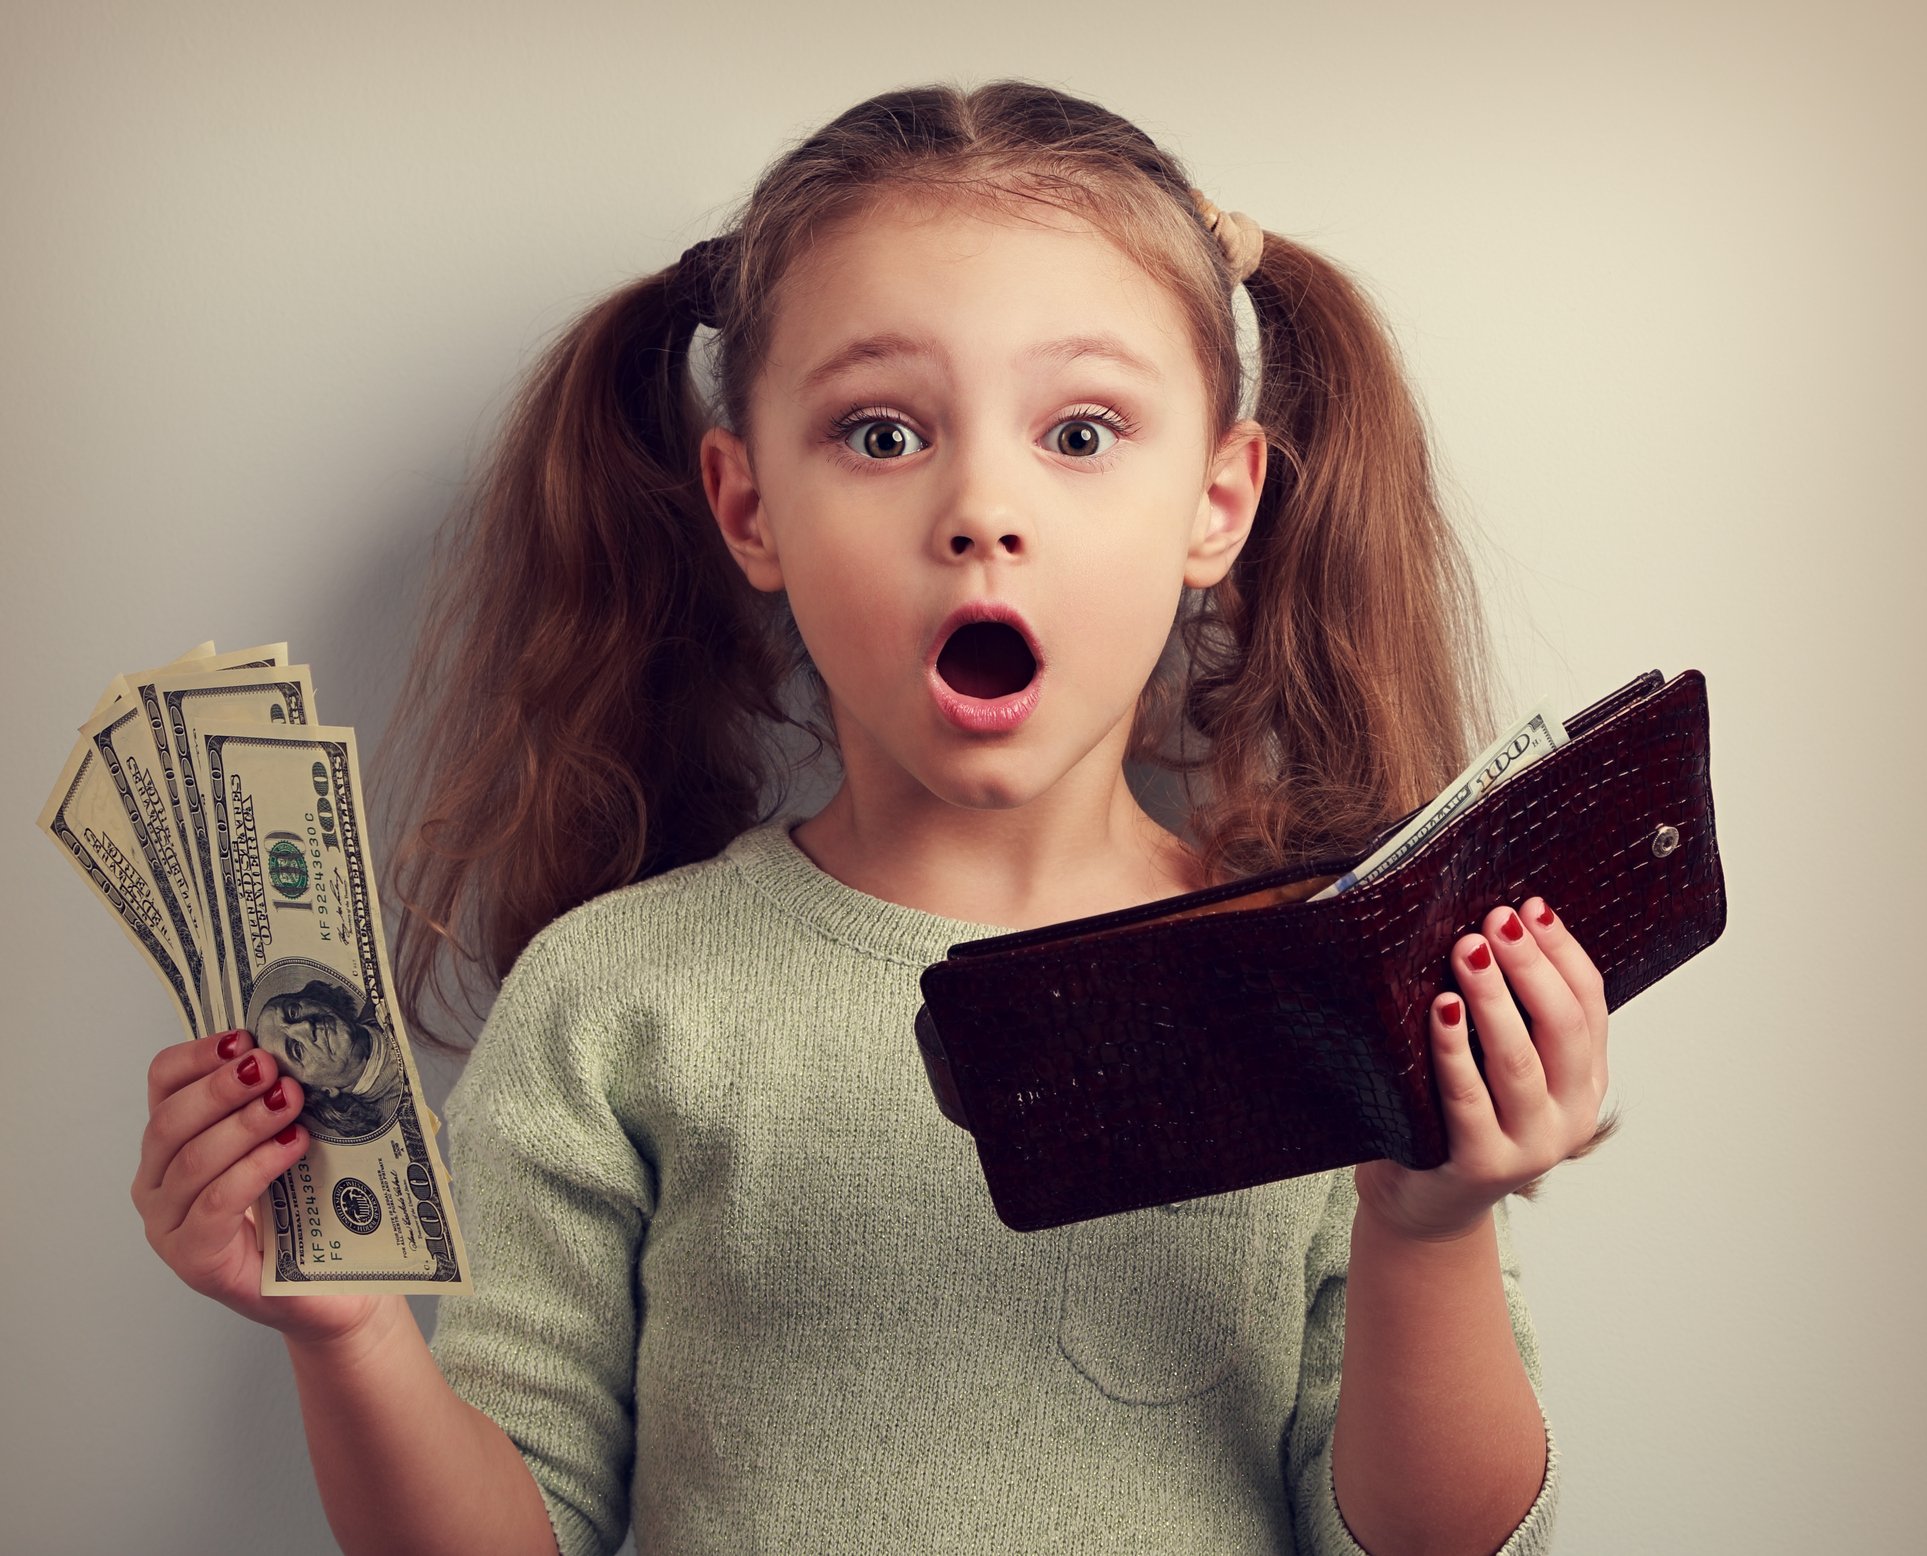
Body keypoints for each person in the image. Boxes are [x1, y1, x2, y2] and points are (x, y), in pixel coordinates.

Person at [132, 80, 1619, 1556]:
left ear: (1215, 504)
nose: (981, 507)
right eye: (881, 433)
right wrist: (343, 1333)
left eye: (1083, 432)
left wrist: (1428, 1227)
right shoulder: (615, 998)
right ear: (746, 506)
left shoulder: (1321, 990)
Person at [250, 977, 407, 1143]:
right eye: (297, 1051)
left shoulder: (384, 987)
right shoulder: (398, 1115)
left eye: (293, 1012)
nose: (305, 1026)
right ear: (324, 1091)